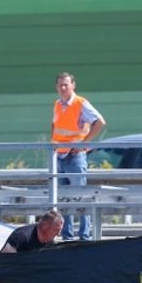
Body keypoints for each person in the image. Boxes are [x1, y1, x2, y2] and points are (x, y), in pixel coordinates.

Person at [51, 72, 106, 241]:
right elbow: (55, 126)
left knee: (80, 197)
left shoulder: (80, 103)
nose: (63, 88)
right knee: (63, 198)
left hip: (74, 156)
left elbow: (100, 122)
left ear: (73, 85)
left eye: (66, 84)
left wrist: (82, 144)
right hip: (59, 155)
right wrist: (52, 143)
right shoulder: (58, 104)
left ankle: (84, 235)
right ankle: (67, 235)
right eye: (60, 85)